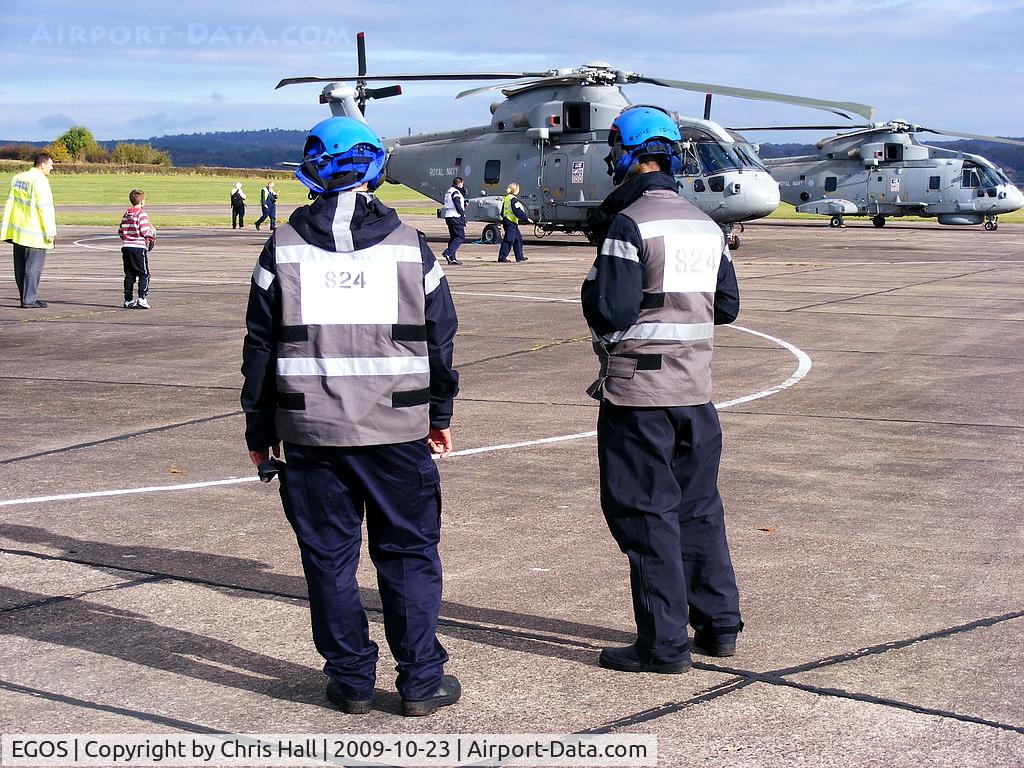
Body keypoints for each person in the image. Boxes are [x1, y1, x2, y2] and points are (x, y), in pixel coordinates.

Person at [241, 116, 462, 717]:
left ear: (312, 166)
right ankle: (420, 680)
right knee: (409, 554)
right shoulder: (410, 247)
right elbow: (441, 340)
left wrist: (259, 430)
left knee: (329, 559)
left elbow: (259, 347)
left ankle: (350, 680)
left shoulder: (282, 246)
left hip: (310, 434)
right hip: (397, 430)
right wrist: (439, 412)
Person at [581, 106, 743, 675]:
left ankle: (663, 644)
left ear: (623, 155)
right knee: (698, 509)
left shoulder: (629, 225)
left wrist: (592, 290)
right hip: (696, 393)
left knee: (645, 513)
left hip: (638, 396)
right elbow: (727, 307)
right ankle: (719, 624)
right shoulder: (706, 225)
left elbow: (610, 310)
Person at [1, 151, 56, 308]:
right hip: (35, 232)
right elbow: (45, 208)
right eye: (51, 165)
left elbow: (12, 203)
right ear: (42, 164)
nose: (51, 168)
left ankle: (25, 296)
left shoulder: (18, 178)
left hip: (18, 230)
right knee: (33, 268)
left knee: (20, 267)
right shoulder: (40, 181)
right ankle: (29, 299)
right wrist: (50, 232)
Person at [117, 189, 156, 309]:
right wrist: (152, 232)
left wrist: (128, 237)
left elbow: (120, 231)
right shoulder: (142, 214)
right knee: (144, 274)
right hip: (138, 248)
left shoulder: (126, 214)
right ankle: (142, 297)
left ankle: (128, 299)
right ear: (142, 201)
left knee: (129, 275)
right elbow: (144, 231)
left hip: (126, 247)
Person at [496, 182, 532, 263]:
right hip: (510, 222)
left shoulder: (507, 198)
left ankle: (519, 257)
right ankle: (502, 257)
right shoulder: (513, 199)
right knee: (509, 239)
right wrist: (526, 218)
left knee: (517, 239)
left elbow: (502, 211)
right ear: (515, 190)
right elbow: (517, 211)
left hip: (509, 221)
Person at [440, 176, 465, 265]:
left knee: (453, 237)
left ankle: (452, 258)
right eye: (462, 183)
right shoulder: (455, 192)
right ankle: (448, 253)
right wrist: (462, 213)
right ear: (459, 183)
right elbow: (457, 204)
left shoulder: (448, 191)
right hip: (455, 216)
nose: (462, 185)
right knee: (460, 237)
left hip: (449, 216)